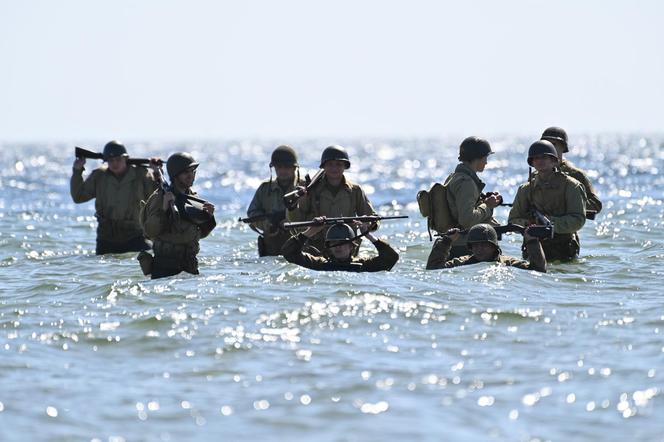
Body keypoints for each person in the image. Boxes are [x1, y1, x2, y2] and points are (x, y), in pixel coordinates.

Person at [70, 140, 159, 255]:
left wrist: (156, 173)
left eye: (118, 159)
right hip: (106, 238)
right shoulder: (99, 176)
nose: (115, 163)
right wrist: (77, 171)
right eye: (111, 160)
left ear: (125, 159)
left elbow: (157, 198)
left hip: (135, 235)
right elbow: (78, 197)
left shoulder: (141, 175)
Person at [287, 145, 378, 253]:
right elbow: (296, 220)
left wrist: (368, 224)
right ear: (323, 166)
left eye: (339, 164)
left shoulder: (355, 191)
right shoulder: (311, 191)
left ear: (345, 166)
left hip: (347, 248)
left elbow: (372, 218)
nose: (334, 168)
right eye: (330, 164)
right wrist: (295, 203)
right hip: (318, 248)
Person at [141, 152, 216, 279]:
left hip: (190, 265)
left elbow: (198, 233)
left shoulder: (193, 198)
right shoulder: (159, 197)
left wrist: (208, 217)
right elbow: (149, 231)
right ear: (175, 175)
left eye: (193, 171)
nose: (191, 175)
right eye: (186, 172)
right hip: (165, 266)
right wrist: (164, 209)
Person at [508, 140, 586, 261]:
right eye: (536, 158)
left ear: (554, 161)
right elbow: (513, 220)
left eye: (544, 157)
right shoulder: (526, 189)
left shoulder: (571, 186)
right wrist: (529, 224)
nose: (540, 161)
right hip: (534, 248)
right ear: (532, 162)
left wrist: (551, 224)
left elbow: (578, 219)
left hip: (564, 248)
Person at [430, 136, 502, 259]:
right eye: (485, 157)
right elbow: (467, 220)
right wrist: (487, 205)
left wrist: (483, 202)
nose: (486, 162)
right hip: (464, 246)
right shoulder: (466, 182)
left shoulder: (455, 177)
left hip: (457, 243)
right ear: (478, 158)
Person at [245, 145, 306, 256]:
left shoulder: (304, 188)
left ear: (294, 168)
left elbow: (313, 213)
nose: (282, 171)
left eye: (287, 167)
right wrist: (268, 224)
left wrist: (291, 223)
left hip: (300, 247)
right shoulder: (264, 189)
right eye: (279, 167)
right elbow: (252, 214)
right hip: (272, 248)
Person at [282, 218, 399, 272]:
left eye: (342, 243)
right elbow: (289, 253)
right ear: (329, 247)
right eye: (334, 243)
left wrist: (368, 235)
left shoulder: (363, 265)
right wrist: (310, 232)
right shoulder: (319, 264)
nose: (338, 247)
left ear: (352, 247)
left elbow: (391, 258)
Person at [426, 224, 546, 272]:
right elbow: (433, 269)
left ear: (494, 247)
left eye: (484, 245)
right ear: (470, 247)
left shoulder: (508, 263)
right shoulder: (462, 262)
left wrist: (532, 242)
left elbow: (539, 270)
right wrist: (446, 241)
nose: (479, 249)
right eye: (476, 245)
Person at [541, 126, 602, 214]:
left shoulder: (576, 175)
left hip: (568, 225)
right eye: (546, 144)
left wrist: (569, 202)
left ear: (563, 147)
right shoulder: (537, 175)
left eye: (553, 144)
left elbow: (596, 205)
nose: (549, 148)